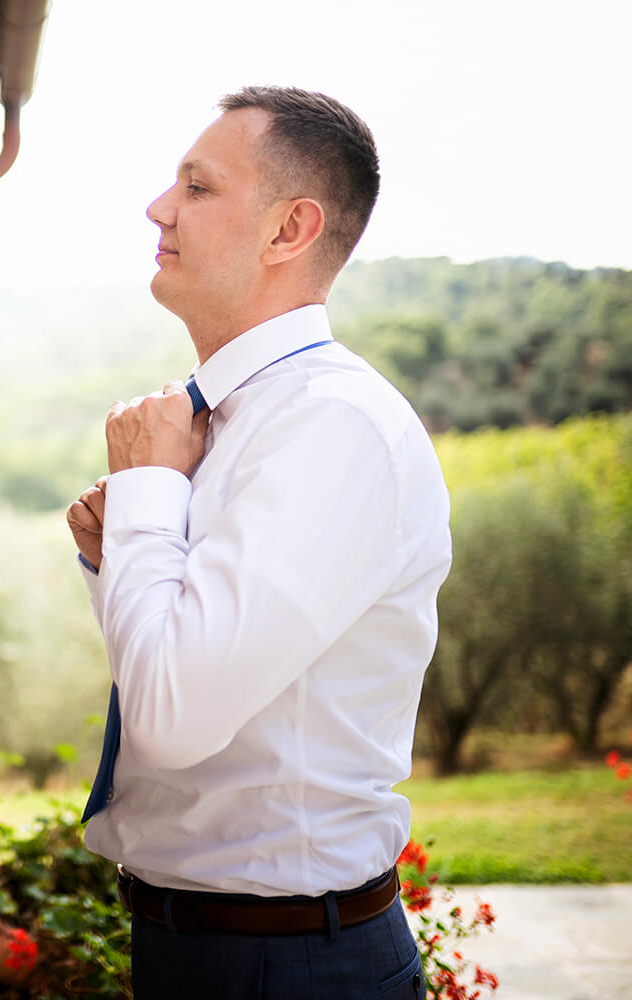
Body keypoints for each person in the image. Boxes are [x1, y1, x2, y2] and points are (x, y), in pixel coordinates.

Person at [64, 86, 451, 998]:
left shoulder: (333, 426)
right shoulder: (229, 420)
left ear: (290, 231)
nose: (159, 207)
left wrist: (153, 495)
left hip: (287, 965)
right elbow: (189, 668)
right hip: (199, 945)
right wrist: (116, 557)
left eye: (197, 187)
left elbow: (173, 714)